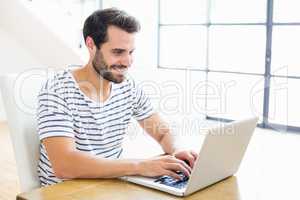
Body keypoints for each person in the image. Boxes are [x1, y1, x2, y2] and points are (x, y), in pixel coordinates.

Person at [37, 8, 197, 186]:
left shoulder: (128, 87)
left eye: (131, 52)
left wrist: (178, 149)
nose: (128, 62)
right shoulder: (57, 90)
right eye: (118, 52)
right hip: (66, 192)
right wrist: (140, 166)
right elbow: (65, 165)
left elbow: (163, 132)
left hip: (111, 185)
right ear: (91, 44)